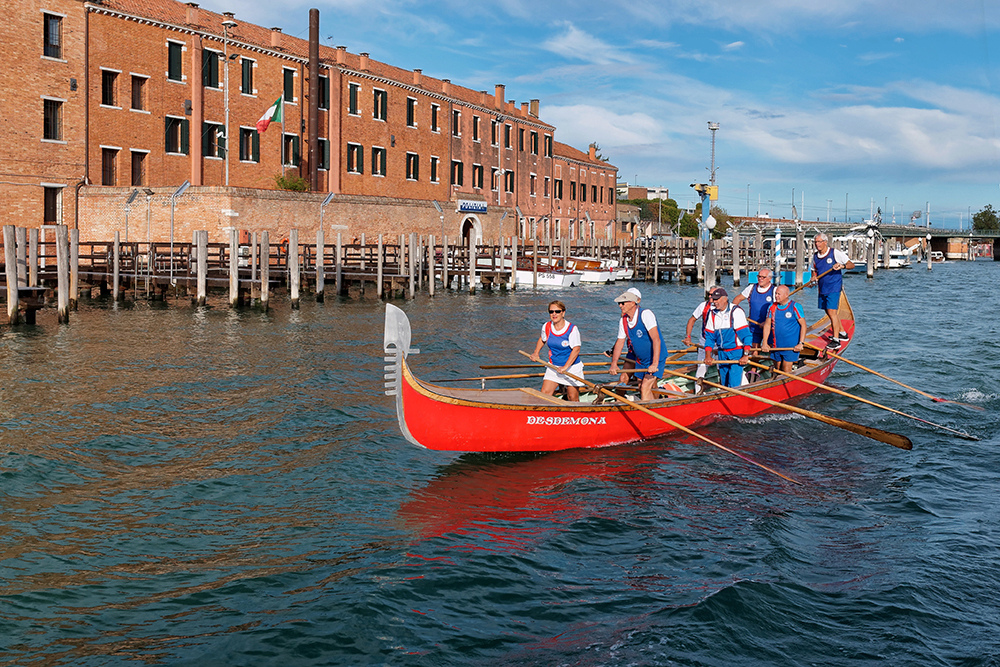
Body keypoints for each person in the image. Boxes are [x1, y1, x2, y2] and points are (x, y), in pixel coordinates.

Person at [609, 290, 664, 401]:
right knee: (640, 386)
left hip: (655, 357)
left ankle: (649, 414)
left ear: (633, 302)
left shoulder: (645, 314)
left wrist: (654, 363)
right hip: (640, 359)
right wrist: (614, 364)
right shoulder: (623, 320)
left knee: (645, 387)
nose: (620, 306)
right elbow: (620, 342)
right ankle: (654, 406)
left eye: (623, 303)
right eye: (619, 303)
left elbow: (656, 339)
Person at [529, 300, 584, 401]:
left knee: (572, 397)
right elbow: (542, 339)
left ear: (563, 313)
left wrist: (565, 367)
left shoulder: (572, 329)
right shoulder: (547, 326)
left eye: (557, 311)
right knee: (544, 395)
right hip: (553, 366)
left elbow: (576, 349)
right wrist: (536, 352)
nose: (554, 314)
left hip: (571, 367)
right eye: (551, 312)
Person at [808, 233, 854, 350]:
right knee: (828, 312)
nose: (817, 244)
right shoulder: (815, 256)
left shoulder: (834, 253)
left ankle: (836, 340)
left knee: (832, 312)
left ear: (825, 242)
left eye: (819, 242)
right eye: (815, 242)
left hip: (834, 287)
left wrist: (842, 266)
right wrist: (813, 277)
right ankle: (842, 333)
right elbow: (814, 270)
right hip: (822, 287)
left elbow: (851, 264)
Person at [703, 287, 753, 388]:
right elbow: (709, 338)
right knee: (724, 384)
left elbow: (746, 336)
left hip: (736, 353)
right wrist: (708, 356)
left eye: (717, 299)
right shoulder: (712, 314)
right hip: (722, 353)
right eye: (713, 299)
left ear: (725, 299)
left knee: (733, 384)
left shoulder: (736, 312)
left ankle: (734, 399)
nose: (714, 302)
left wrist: (746, 355)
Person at [761, 285, 807, 373]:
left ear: (786, 295)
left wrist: (801, 343)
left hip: (791, 346)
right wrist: (765, 343)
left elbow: (803, 326)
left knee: (786, 370)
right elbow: (767, 325)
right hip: (776, 345)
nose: (776, 296)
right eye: (775, 293)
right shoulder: (772, 307)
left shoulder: (795, 306)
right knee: (777, 369)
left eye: (779, 294)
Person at [682, 286, 717, 392]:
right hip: (705, 341)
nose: (710, 296)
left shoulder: (725, 307)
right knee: (701, 368)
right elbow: (691, 320)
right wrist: (688, 336)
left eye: (712, 295)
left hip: (719, 343)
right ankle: (698, 392)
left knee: (723, 367)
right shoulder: (703, 306)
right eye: (709, 294)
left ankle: (726, 387)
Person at [605, 287, 642, 385]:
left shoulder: (643, 316)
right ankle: (622, 397)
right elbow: (621, 339)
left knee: (641, 382)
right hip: (632, 351)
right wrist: (613, 356)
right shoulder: (624, 318)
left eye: (624, 302)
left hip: (644, 355)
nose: (621, 305)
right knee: (623, 378)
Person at [731, 267, 775, 345]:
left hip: (769, 328)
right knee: (754, 351)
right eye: (759, 276)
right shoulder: (751, 288)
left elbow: (778, 309)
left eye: (763, 277)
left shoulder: (774, 290)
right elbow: (737, 299)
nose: (760, 279)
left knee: (770, 350)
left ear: (769, 278)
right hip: (754, 326)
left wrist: (766, 322)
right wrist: (733, 313)